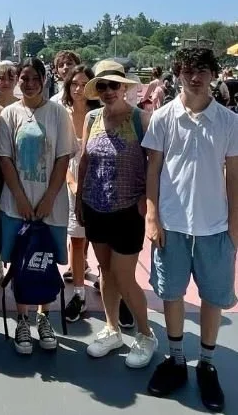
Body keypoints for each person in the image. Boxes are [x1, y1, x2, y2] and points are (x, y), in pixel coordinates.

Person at [144, 48, 238, 412]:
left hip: (215, 225)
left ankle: (208, 363)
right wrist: (152, 216)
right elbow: (153, 170)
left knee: (214, 296)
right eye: (186, 70)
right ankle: (177, 357)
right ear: (177, 73)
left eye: (201, 70)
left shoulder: (229, 122)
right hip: (172, 223)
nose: (194, 77)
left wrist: (234, 224)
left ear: (213, 74)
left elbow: (234, 176)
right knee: (172, 292)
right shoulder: (164, 118)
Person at [76, 59, 158, 368]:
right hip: (96, 206)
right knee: (106, 272)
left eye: (113, 85)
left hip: (127, 210)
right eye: (102, 86)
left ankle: (146, 333)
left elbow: (156, 166)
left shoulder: (142, 120)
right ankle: (111, 327)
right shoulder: (92, 118)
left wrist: (147, 201)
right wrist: (78, 200)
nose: (108, 91)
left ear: (124, 87)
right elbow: (85, 160)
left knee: (125, 276)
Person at [0, 57, 75, 355]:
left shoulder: (58, 113)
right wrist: (19, 196)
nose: (28, 83)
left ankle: (44, 316)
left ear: (44, 79)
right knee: (21, 260)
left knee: (45, 259)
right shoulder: (9, 114)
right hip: (17, 203)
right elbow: (5, 158)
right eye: (24, 78)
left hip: (50, 205)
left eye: (34, 78)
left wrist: (48, 198)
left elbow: (63, 158)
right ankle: (22, 319)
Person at [61, 65, 100, 322]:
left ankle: (113, 291)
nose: (78, 89)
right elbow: (60, 156)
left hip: (97, 183)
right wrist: (73, 184)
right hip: (70, 182)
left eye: (83, 84)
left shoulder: (99, 116)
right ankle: (78, 292)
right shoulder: (62, 115)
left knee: (100, 240)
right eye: (74, 84)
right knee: (76, 240)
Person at [0, 62, 20, 288]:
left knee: (18, 214)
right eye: (1, 78)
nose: (5, 82)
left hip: (19, 168)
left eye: (10, 77)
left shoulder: (23, 107)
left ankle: (18, 261)